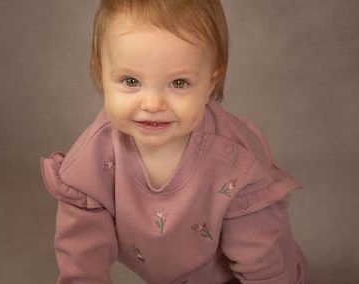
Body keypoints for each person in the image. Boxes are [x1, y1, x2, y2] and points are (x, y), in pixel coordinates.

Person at [40, 1, 307, 283]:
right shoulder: (90, 163)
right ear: (100, 72)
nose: (153, 104)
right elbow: (83, 266)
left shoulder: (235, 165)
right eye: (131, 81)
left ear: (210, 83)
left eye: (178, 83)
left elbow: (261, 268)